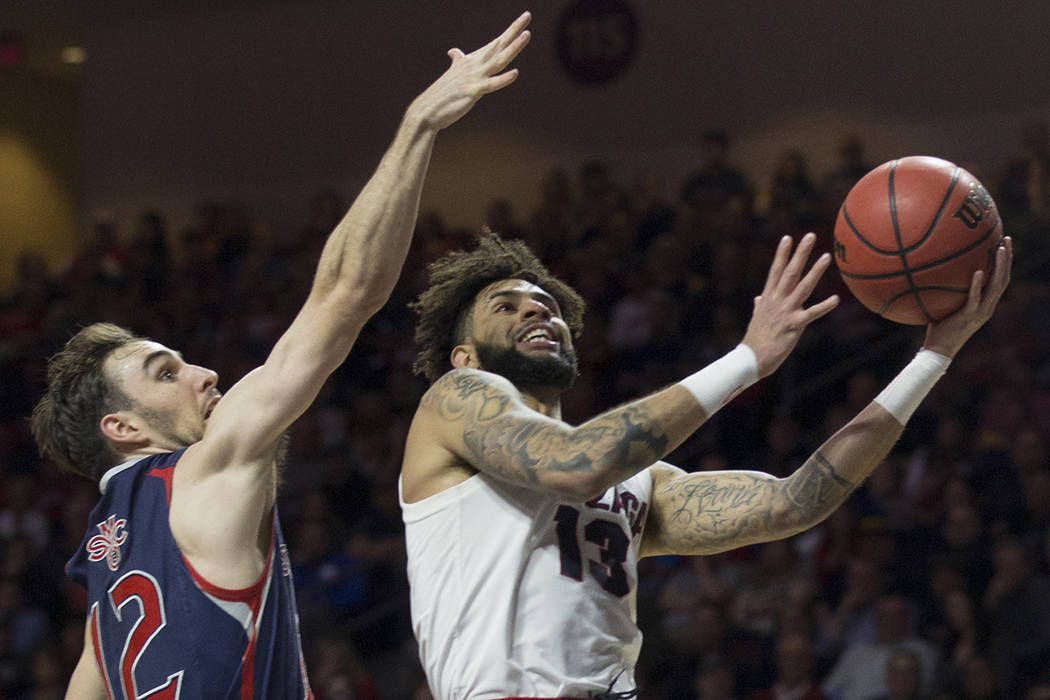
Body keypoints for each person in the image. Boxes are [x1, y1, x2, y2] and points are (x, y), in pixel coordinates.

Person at [30, 13, 533, 699]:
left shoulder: (100, 559)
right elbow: (347, 294)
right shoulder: (202, 472)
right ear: (122, 427)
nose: (205, 373)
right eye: (166, 373)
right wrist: (420, 125)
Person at [400, 230, 1011, 699]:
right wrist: (748, 359)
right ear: (465, 356)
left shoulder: (639, 481)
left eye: (546, 305)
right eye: (506, 307)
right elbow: (577, 463)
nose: (537, 312)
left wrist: (934, 355)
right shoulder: (455, 400)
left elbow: (793, 502)